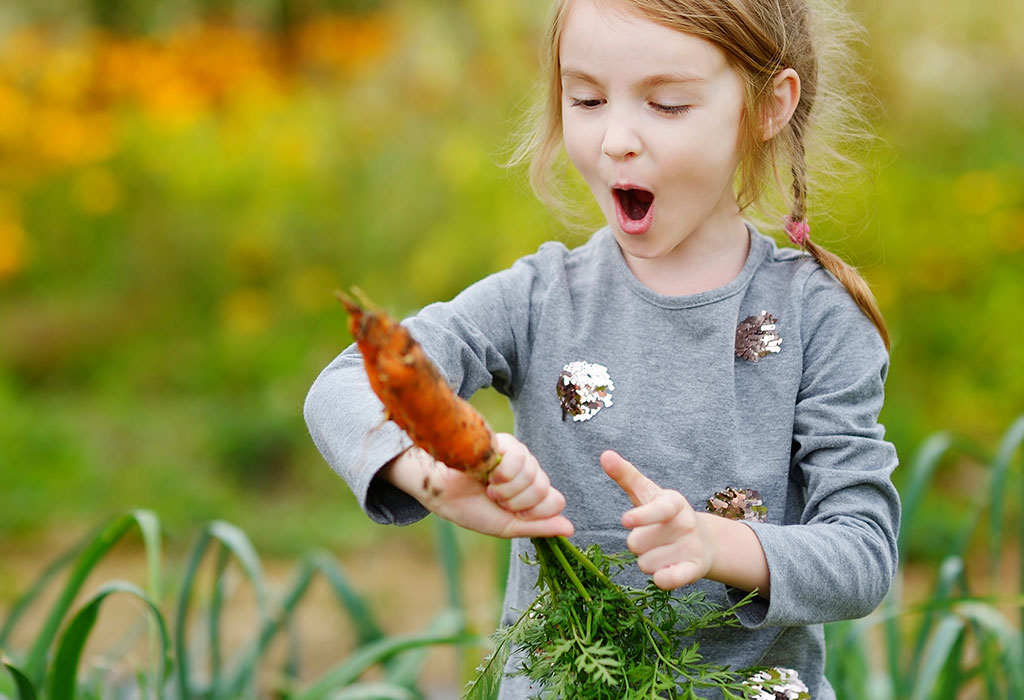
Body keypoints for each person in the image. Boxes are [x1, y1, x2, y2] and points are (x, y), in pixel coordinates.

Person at [304, 0, 900, 697]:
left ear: (768, 107)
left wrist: (716, 546)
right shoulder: (538, 300)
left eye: (667, 104)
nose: (616, 137)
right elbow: (343, 388)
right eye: (585, 98)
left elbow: (864, 551)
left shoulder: (817, 319)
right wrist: (435, 475)